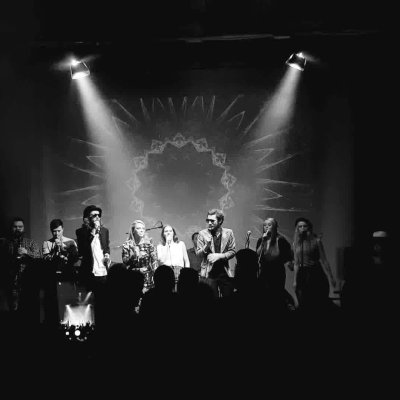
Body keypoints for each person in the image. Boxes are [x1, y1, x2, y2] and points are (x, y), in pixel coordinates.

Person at [75, 205, 110, 326]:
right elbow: (82, 251)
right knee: (89, 305)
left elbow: (106, 247)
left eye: (99, 215)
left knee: (103, 304)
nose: (97, 217)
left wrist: (107, 255)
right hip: (90, 272)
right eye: (94, 215)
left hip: (103, 272)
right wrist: (93, 232)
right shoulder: (81, 232)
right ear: (87, 218)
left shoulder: (105, 231)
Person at [292, 217, 336, 311]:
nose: (302, 228)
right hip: (302, 273)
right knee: (303, 301)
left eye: (305, 226)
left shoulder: (316, 241)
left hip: (315, 272)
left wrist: (331, 277)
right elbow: (296, 263)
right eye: (300, 226)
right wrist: (295, 280)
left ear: (308, 227)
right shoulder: (296, 243)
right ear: (297, 229)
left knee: (316, 300)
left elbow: (324, 260)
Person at [0, 217, 40, 317]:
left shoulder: (30, 242)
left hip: (27, 281)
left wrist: (27, 252)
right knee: (10, 309)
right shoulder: (4, 242)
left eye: (20, 227)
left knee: (27, 309)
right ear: (11, 228)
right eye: (15, 226)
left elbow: (39, 257)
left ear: (24, 228)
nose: (18, 229)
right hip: (9, 280)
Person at [42, 218, 79, 325]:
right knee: (54, 302)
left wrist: (64, 248)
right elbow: (46, 259)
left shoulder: (71, 242)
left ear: (63, 229)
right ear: (51, 231)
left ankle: (72, 323)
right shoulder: (47, 243)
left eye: (59, 231)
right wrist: (55, 250)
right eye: (54, 231)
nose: (57, 233)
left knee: (70, 300)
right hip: (53, 276)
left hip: (68, 275)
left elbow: (75, 258)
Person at [196, 209, 236, 298]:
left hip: (224, 271)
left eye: (212, 221)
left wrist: (220, 256)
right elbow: (198, 254)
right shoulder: (202, 234)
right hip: (209, 273)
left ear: (220, 221)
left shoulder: (229, 233)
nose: (209, 223)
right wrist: (206, 246)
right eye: (208, 220)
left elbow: (233, 251)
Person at [256, 218, 293, 299]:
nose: (266, 227)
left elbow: (287, 256)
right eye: (264, 225)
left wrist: (290, 264)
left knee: (276, 295)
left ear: (275, 227)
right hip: (264, 271)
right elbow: (257, 255)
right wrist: (263, 241)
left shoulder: (281, 240)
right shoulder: (261, 239)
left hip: (277, 271)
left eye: (269, 225)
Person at [122, 220, 157, 292]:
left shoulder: (149, 244)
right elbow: (126, 265)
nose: (141, 230)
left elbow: (154, 262)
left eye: (143, 228)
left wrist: (156, 277)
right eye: (138, 228)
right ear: (133, 231)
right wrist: (135, 254)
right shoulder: (127, 245)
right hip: (133, 279)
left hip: (148, 280)